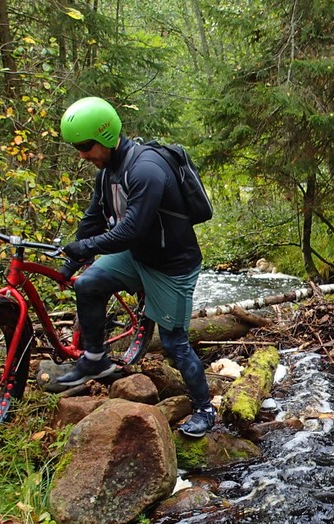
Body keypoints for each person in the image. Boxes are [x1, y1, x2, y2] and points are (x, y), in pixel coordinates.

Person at [56, 96, 216, 438]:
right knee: (87, 284)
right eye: (76, 147)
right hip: (137, 254)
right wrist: (72, 262)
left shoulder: (146, 168)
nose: (81, 155)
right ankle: (96, 358)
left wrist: (85, 247)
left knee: (174, 345)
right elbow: (94, 219)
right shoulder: (107, 172)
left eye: (85, 146)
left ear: (107, 135)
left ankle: (205, 408)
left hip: (172, 265)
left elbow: (132, 228)